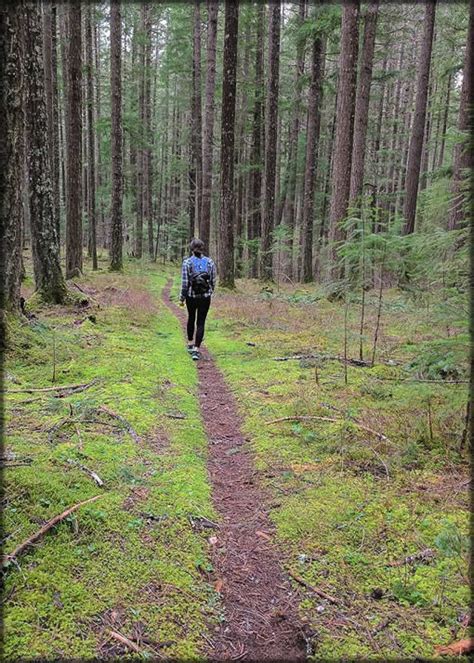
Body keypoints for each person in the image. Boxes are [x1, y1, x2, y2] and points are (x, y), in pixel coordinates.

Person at [179, 238, 216, 360]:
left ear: (191, 249)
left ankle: (190, 344)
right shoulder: (210, 262)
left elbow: (185, 283)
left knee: (191, 318)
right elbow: (213, 280)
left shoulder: (187, 263)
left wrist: (182, 298)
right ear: (202, 249)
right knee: (201, 322)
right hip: (205, 297)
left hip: (191, 296)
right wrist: (210, 291)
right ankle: (197, 349)